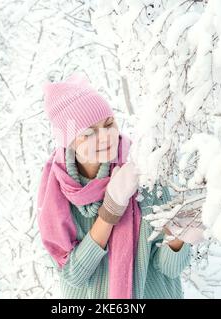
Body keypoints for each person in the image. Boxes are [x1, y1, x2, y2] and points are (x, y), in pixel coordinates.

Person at [37, 72, 204, 299]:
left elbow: (168, 269)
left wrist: (179, 234)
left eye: (109, 124)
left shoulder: (142, 169)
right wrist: (110, 212)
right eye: (88, 133)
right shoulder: (55, 192)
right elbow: (73, 275)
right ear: (69, 142)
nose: (106, 136)